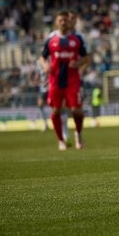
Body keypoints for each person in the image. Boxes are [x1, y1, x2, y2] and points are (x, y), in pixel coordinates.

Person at [39, 10, 90, 150]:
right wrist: (45, 66)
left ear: (69, 22)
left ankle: (78, 135)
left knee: (77, 110)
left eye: (65, 20)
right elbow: (42, 57)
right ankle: (61, 140)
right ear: (56, 22)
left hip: (72, 79)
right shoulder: (51, 40)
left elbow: (86, 57)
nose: (63, 22)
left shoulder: (76, 39)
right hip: (55, 79)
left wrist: (78, 64)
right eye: (60, 20)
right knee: (56, 111)